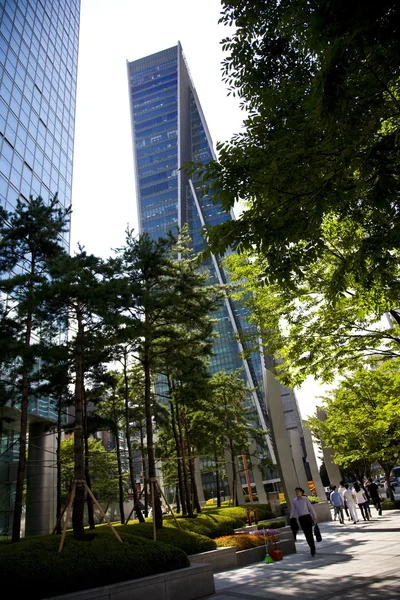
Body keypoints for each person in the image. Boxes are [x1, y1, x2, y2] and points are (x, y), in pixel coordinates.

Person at [290, 487, 318, 556]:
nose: (297, 493)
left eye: (298, 491)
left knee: (310, 533)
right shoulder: (294, 501)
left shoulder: (305, 499)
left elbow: (310, 508)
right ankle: (311, 546)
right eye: (296, 491)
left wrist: (315, 516)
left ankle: (313, 547)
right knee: (306, 534)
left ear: (301, 492)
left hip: (307, 517)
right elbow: (293, 510)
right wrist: (291, 517)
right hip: (301, 519)